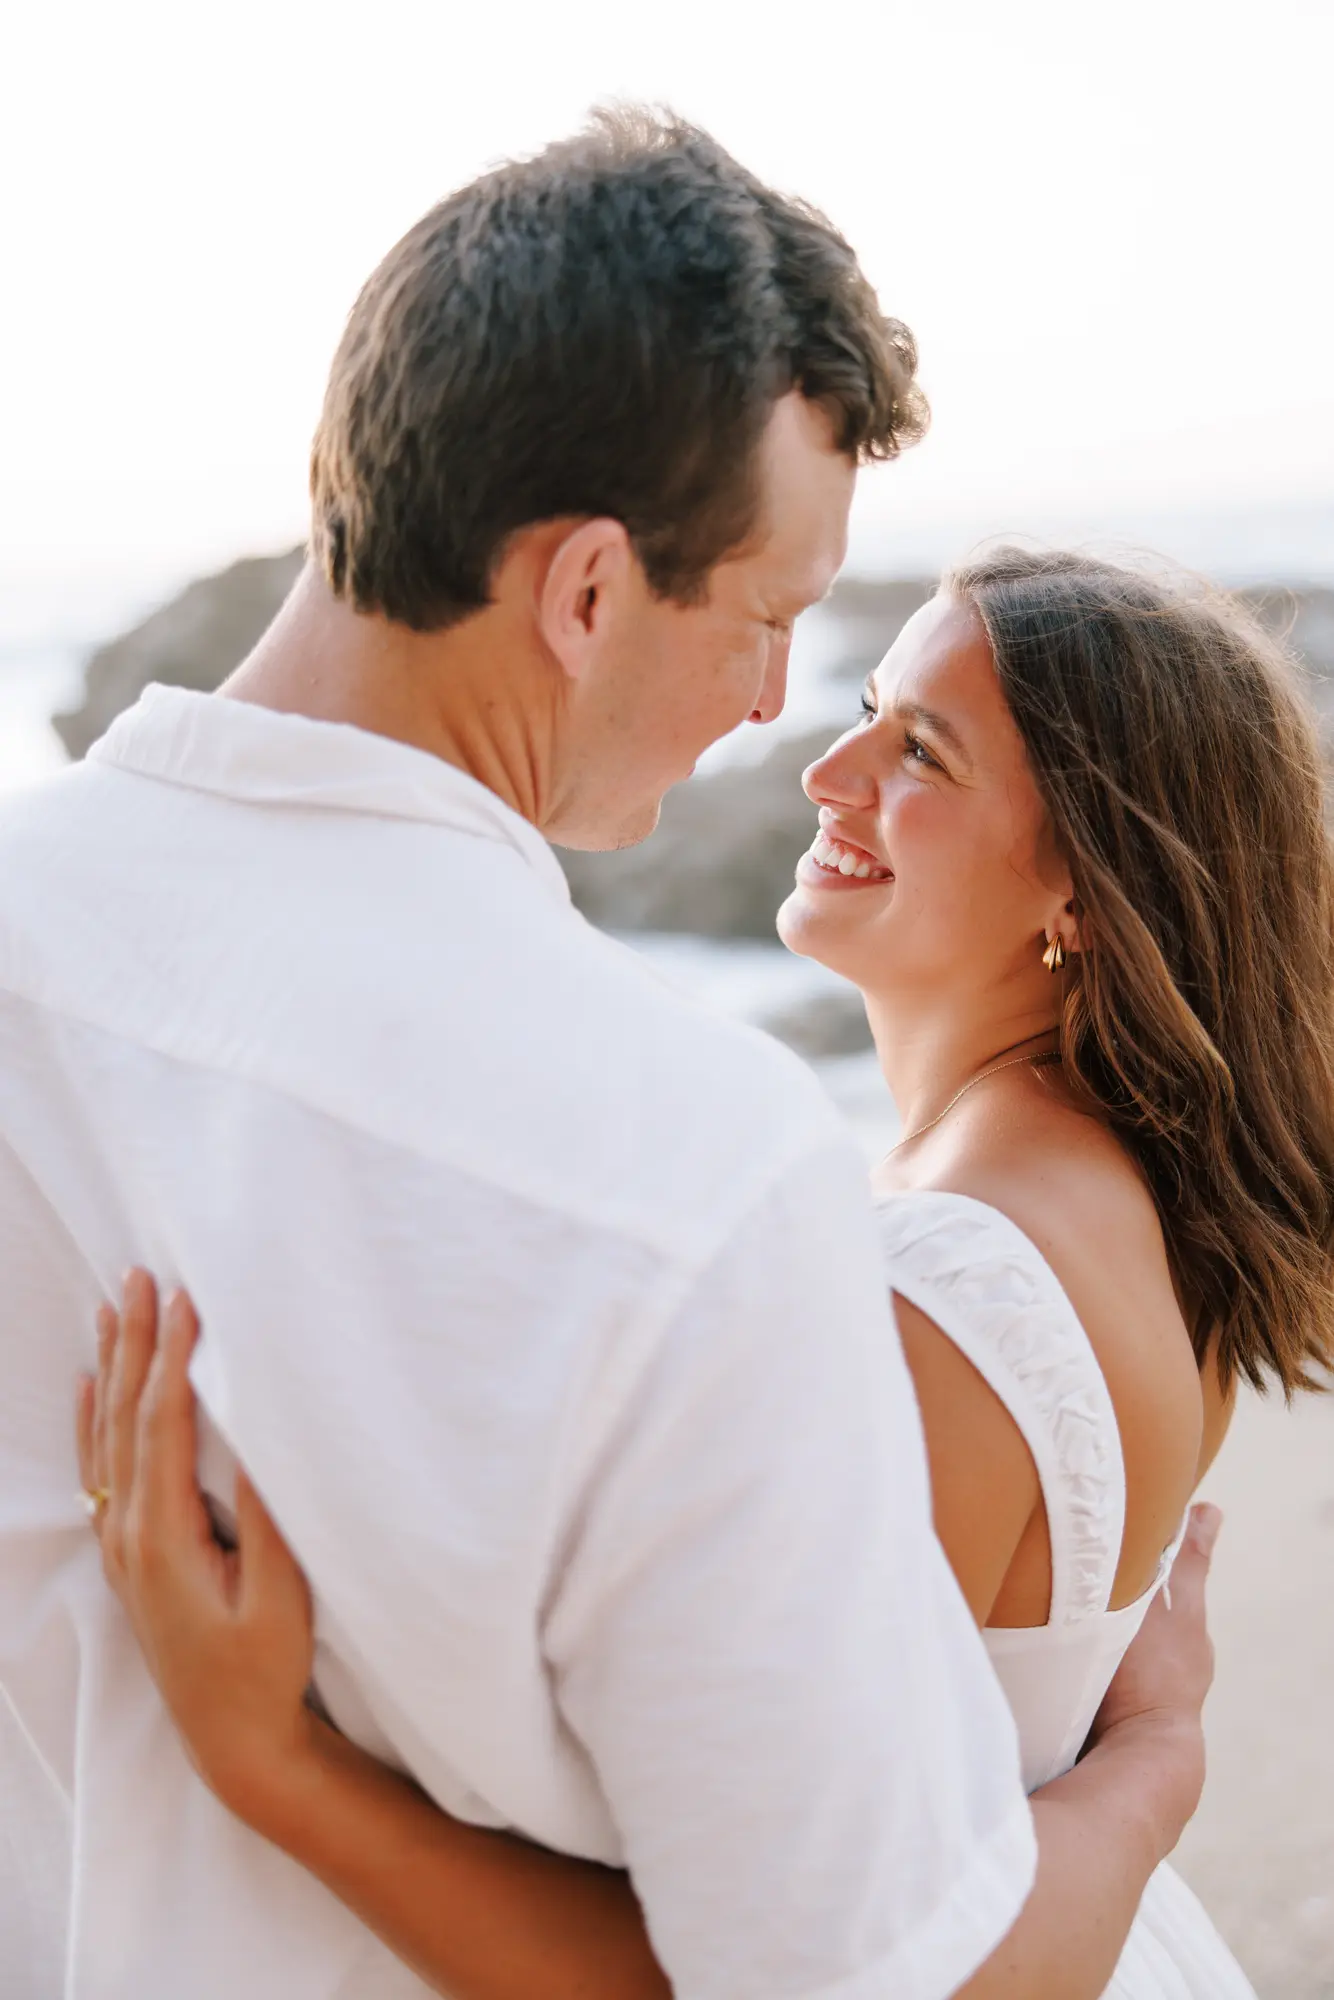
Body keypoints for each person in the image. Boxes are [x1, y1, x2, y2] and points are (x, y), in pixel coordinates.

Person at [0, 107, 1217, 2000]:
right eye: (771, 620)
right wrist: (1148, 1769)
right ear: (583, 592)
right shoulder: (687, 1173)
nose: (772, 707)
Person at [77, 551, 1334, 1998]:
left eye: (920, 752)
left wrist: (268, 1757)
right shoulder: (1149, 1204)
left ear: (1085, 892)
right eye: (865, 711)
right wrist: (1146, 1764)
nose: (827, 772)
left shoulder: (937, 1298)